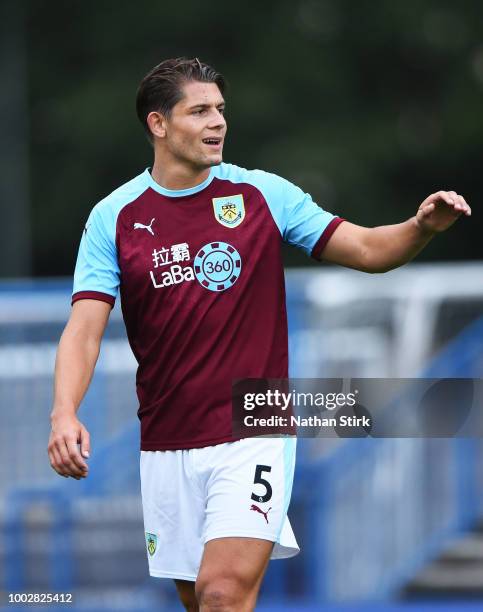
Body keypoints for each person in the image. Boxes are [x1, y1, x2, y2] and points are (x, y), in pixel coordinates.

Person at [48, 57, 471, 611]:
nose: (217, 122)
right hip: (166, 438)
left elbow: (368, 250)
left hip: (255, 423)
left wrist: (419, 228)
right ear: (158, 124)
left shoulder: (262, 195)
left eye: (220, 109)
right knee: (201, 601)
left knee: (222, 592)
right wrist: (63, 411)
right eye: (199, 111)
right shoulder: (115, 217)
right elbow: (84, 329)